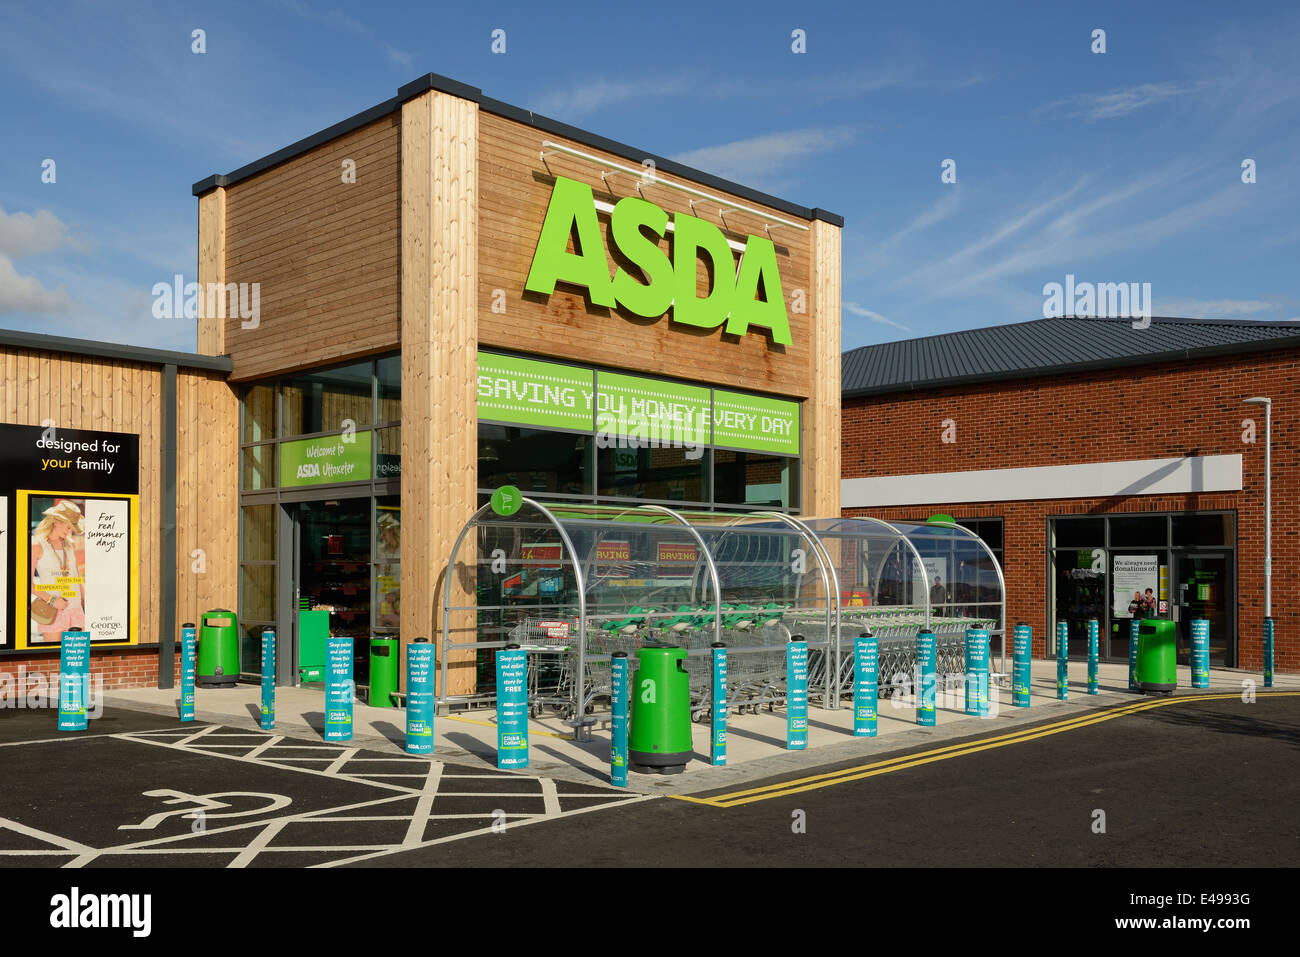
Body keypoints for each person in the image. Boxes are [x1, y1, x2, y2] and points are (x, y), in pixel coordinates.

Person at [30, 500, 86, 642]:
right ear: (56, 522)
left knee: (76, 661)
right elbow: (26, 583)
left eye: (71, 528)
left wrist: (85, 603)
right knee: (54, 660)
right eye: (67, 527)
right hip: (53, 611)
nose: (69, 531)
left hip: (76, 611)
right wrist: (52, 600)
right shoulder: (37, 546)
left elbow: (76, 577)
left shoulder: (70, 545)